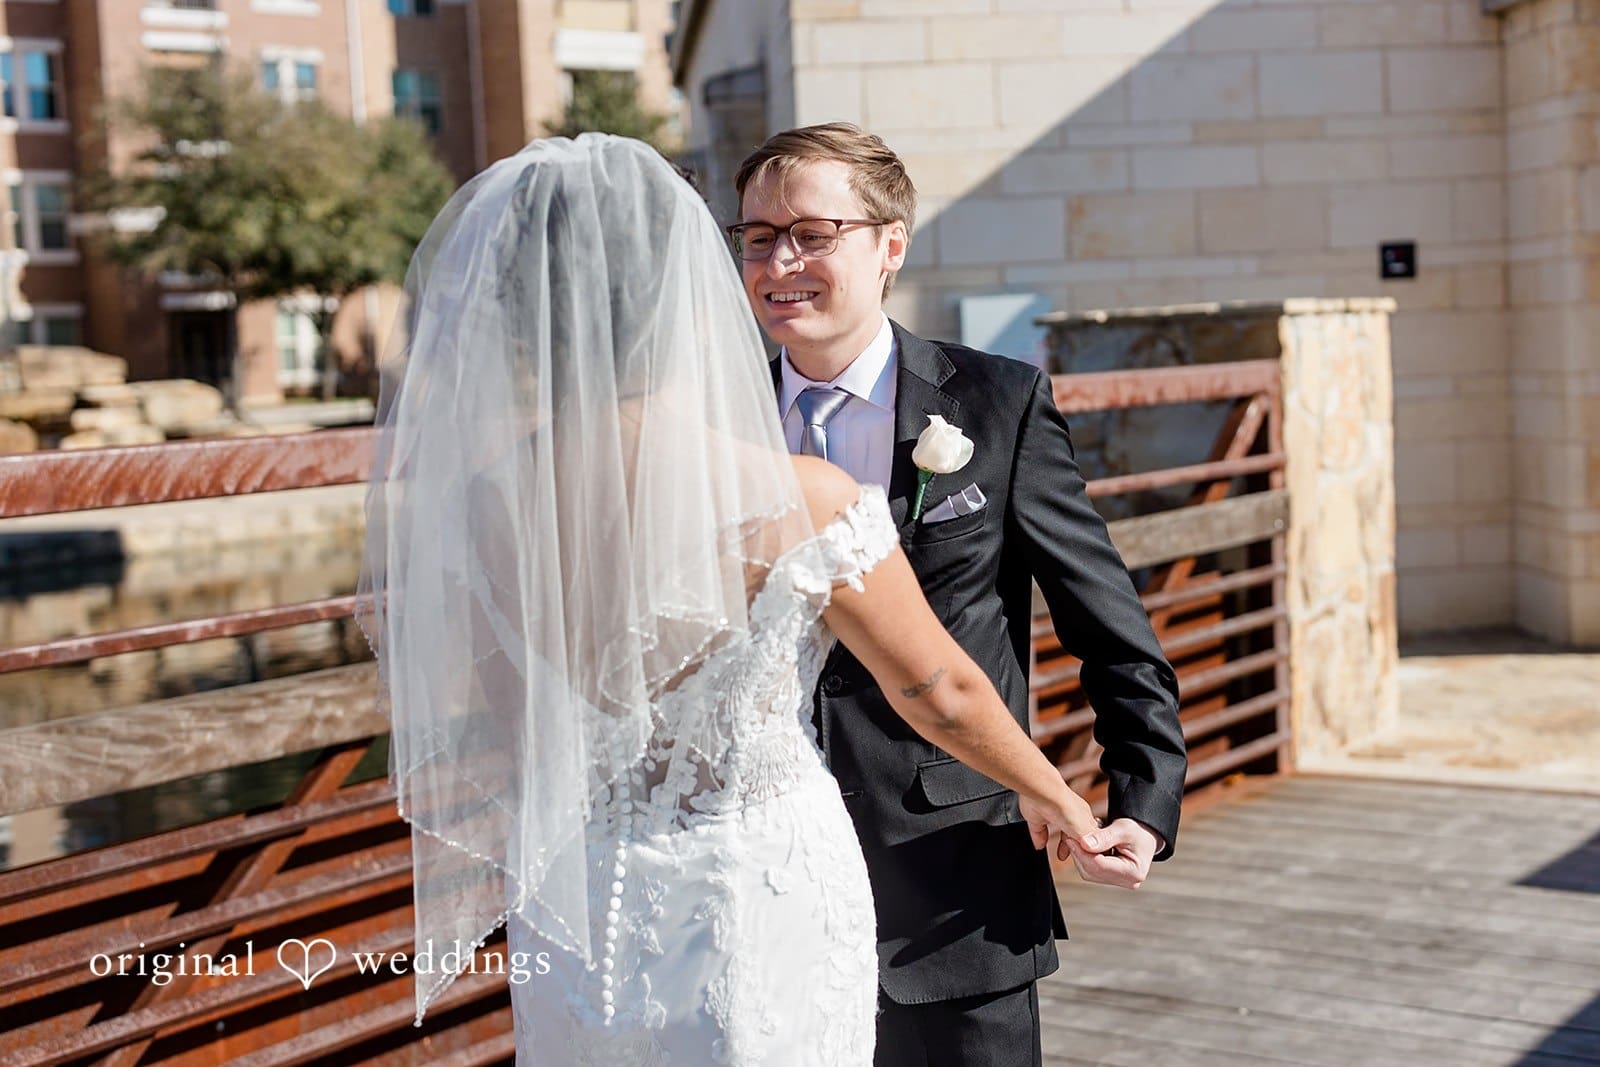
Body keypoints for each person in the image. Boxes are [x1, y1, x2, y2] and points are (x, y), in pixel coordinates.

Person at [356, 133, 1103, 1065]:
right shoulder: (799, 497)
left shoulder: (486, 504)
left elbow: (513, 722)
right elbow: (936, 688)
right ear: (685, 292)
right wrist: (1057, 795)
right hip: (752, 886)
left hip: (585, 896)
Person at [731, 122, 1188, 1066]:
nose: (781, 260)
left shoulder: (997, 401)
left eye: (813, 234)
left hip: (954, 879)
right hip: (754, 876)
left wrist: (1139, 797)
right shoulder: (706, 419)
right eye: (758, 236)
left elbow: (1106, 623)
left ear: (889, 243)